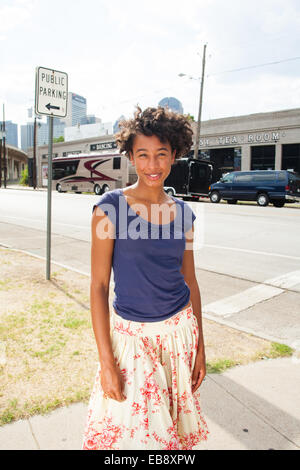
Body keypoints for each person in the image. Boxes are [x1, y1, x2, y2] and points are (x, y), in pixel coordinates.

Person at [82, 106, 209, 450]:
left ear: (175, 156)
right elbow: (98, 286)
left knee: (170, 440)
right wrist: (106, 362)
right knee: (130, 440)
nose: (153, 165)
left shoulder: (184, 214)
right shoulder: (109, 208)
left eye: (161, 155)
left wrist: (200, 347)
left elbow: (191, 282)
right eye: (143, 155)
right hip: (132, 343)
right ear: (131, 158)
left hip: (178, 338)